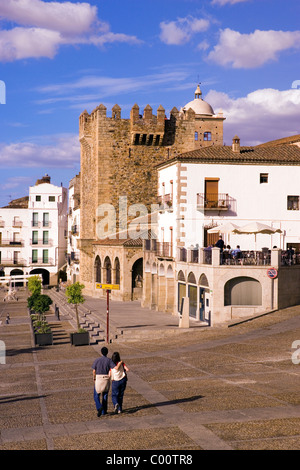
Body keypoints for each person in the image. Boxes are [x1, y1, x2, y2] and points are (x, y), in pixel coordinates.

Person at [92, 347, 115, 417]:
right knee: (105, 395)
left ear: (101, 352)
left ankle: (99, 407)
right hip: (106, 378)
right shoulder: (109, 360)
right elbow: (113, 368)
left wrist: (94, 378)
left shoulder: (97, 360)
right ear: (107, 352)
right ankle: (104, 410)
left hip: (98, 378)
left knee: (96, 395)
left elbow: (94, 370)